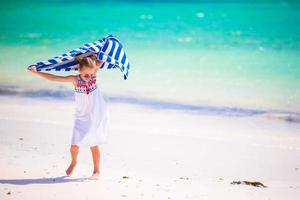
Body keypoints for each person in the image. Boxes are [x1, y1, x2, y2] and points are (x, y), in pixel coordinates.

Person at [27, 54, 109, 180]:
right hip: (81, 116)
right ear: (79, 71)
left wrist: (97, 56)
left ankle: (96, 170)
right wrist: (36, 72)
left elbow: (101, 61)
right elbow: (54, 78)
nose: (89, 77)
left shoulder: (93, 72)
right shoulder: (75, 80)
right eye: (86, 75)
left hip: (95, 114)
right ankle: (74, 162)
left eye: (92, 75)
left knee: (94, 144)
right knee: (74, 145)